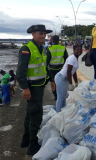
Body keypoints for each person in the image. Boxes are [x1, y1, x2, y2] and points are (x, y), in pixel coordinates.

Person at [16, 24, 53, 155]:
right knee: (36, 114)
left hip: (40, 85)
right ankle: (32, 144)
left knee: (29, 114)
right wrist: (25, 88)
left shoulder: (42, 49)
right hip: (32, 87)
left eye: (44, 34)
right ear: (33, 34)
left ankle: (25, 139)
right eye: (40, 33)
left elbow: (44, 66)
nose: (43, 36)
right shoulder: (27, 49)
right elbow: (20, 71)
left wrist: (50, 80)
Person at [54, 45, 82, 112]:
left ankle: (62, 111)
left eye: (80, 49)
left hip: (64, 79)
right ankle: (58, 113)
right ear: (74, 50)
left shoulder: (75, 58)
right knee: (61, 97)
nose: (79, 51)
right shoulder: (72, 58)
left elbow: (74, 71)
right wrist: (70, 83)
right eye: (77, 49)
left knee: (63, 97)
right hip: (61, 78)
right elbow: (68, 71)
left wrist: (76, 82)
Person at [46, 35, 68, 100]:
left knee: (54, 83)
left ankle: (55, 95)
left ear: (52, 40)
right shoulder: (63, 48)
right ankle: (60, 95)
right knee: (60, 82)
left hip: (52, 69)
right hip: (61, 69)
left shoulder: (50, 48)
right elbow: (66, 58)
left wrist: (46, 69)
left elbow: (47, 60)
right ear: (59, 40)